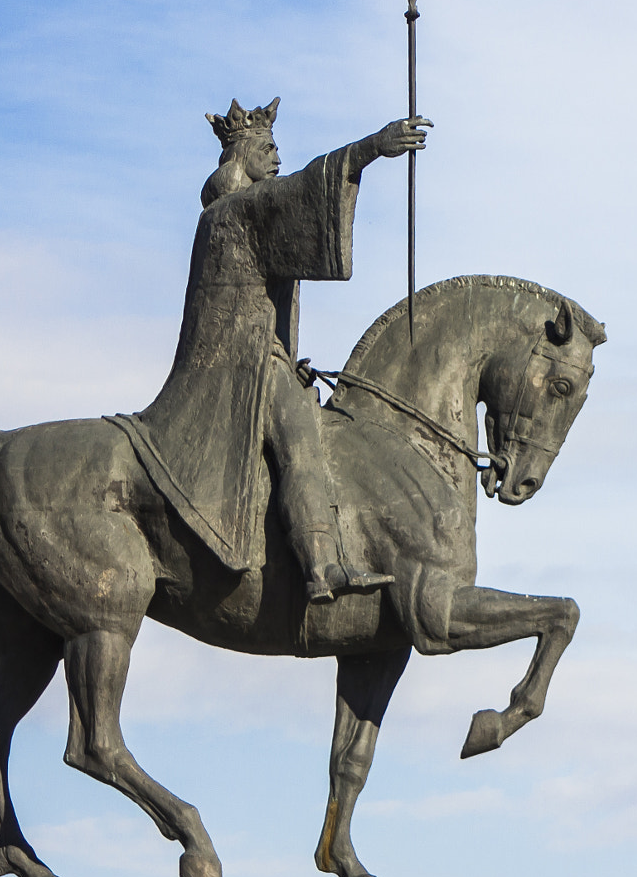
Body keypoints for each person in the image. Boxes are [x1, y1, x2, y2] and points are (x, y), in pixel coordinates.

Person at [111, 97, 430, 605]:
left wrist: (288, 354)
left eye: (278, 147)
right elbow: (305, 188)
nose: (278, 157)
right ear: (241, 158)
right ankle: (321, 565)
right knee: (301, 444)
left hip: (262, 358)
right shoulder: (234, 211)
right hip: (242, 370)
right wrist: (372, 147)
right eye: (268, 148)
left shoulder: (240, 216)